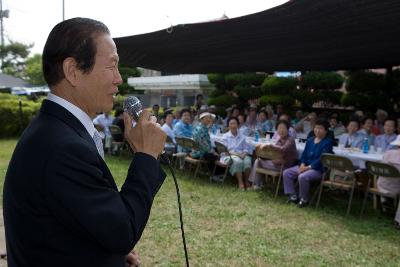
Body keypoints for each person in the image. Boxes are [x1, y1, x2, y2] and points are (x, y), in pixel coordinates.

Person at [3, 18, 167, 267]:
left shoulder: (55, 131)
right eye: (112, 66)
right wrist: (146, 156)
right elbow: (122, 231)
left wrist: (110, 257)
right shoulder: (63, 147)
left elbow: (71, 220)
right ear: (73, 71)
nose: (119, 79)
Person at [283, 119, 334, 207]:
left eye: (320, 128)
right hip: (305, 166)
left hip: (317, 169)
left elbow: (322, 159)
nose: (317, 130)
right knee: (287, 173)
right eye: (316, 128)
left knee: (303, 176)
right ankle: (293, 195)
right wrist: (302, 164)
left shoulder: (328, 142)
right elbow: (304, 155)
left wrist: (307, 168)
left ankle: (304, 199)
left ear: (326, 131)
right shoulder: (310, 140)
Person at [249, 120, 298, 189]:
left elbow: (283, 149)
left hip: (286, 166)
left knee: (258, 161)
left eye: (283, 128)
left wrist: (271, 146)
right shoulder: (279, 140)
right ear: (277, 130)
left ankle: (257, 184)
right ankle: (257, 184)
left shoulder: (290, 140)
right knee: (258, 161)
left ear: (287, 129)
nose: (281, 130)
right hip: (277, 164)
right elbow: (274, 153)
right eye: (279, 128)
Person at [376, 135, 400, 230]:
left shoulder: (388, 153)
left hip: (380, 185)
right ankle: (398, 220)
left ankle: (385, 200)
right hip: (395, 188)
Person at [222, 117, 252, 190]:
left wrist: (244, 154)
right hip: (230, 155)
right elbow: (225, 150)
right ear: (228, 126)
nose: (233, 126)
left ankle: (246, 181)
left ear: (238, 125)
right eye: (231, 124)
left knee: (248, 161)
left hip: (242, 154)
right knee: (238, 162)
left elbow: (246, 148)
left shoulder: (242, 136)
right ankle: (240, 183)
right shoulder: (225, 136)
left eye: (235, 123)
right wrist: (238, 155)